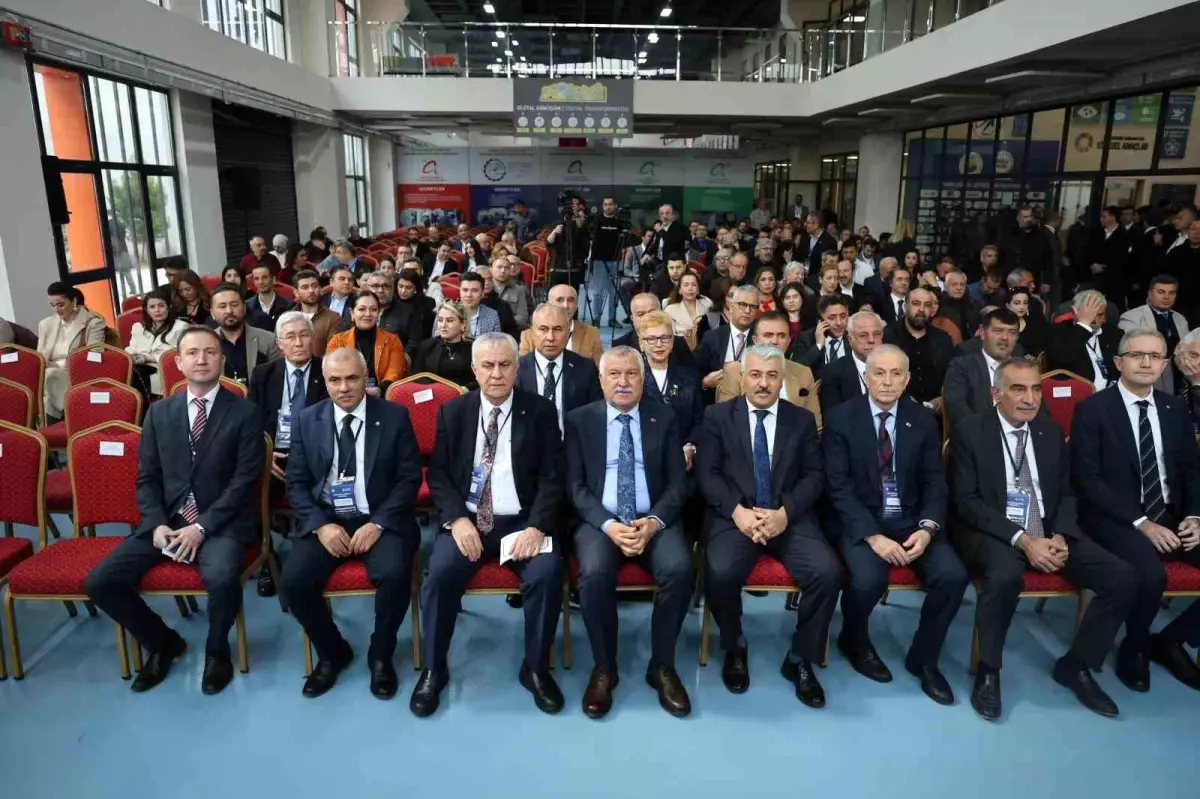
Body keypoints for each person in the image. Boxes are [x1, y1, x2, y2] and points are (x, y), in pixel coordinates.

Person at [949, 356, 1137, 719]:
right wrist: (1024, 540)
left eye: (1036, 389)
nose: (1030, 398)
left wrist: (1062, 536)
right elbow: (967, 502)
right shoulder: (970, 432)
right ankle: (989, 670)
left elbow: (1068, 492)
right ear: (996, 394)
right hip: (994, 531)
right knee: (1004, 577)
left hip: (1050, 531)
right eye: (1018, 389)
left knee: (1122, 577)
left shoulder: (1050, 433)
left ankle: (1077, 665)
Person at [84, 326, 264, 695]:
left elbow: (244, 482)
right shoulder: (158, 413)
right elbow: (147, 477)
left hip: (221, 522)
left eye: (210, 352)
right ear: (178, 362)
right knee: (100, 582)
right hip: (167, 521)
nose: (202, 359)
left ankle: (217, 651)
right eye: (192, 353)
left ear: (222, 359)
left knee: (221, 578)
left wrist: (202, 527)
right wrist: (155, 524)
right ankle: (163, 642)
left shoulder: (245, 413)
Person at [414, 333, 565, 717]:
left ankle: (536, 668)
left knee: (546, 574)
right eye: (488, 365)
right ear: (474, 369)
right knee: (438, 575)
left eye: (504, 365)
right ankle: (434, 669)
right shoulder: (454, 411)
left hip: (522, 522)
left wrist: (537, 528)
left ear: (517, 368)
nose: (496, 374)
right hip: (468, 520)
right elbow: (439, 475)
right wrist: (455, 520)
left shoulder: (541, 411)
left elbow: (552, 477)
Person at [823, 344, 968, 704]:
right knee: (868, 579)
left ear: (906, 380)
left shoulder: (922, 419)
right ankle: (854, 639)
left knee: (952, 576)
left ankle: (924, 658)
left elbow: (935, 481)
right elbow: (837, 487)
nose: (887, 381)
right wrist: (873, 537)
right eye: (879, 373)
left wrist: (928, 528)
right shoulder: (840, 418)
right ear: (866, 377)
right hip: (860, 518)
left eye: (896, 374)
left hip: (911, 519)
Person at [698, 343, 841, 705]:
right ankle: (734, 645)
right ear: (743, 378)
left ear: (782, 379)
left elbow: (814, 476)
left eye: (772, 376)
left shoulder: (801, 420)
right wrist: (738, 513)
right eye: (756, 375)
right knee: (719, 571)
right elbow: (708, 474)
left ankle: (800, 658)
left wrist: (784, 514)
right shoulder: (717, 417)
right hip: (736, 516)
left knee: (827, 572)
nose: (763, 383)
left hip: (788, 517)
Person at [280, 347, 421, 699]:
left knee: (394, 575)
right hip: (327, 519)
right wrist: (320, 525)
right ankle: (332, 652)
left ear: (366, 378)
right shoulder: (307, 420)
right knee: (294, 581)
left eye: (352, 378)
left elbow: (408, 479)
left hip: (381, 518)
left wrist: (378, 524)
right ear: (325, 381)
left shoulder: (394, 416)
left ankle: (381, 654)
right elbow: (295, 483)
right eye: (335, 380)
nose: (343, 387)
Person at [565, 346, 693, 718]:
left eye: (631, 374)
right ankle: (605, 667)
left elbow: (678, 484)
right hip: (601, 520)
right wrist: (608, 524)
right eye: (614, 374)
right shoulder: (579, 420)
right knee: (593, 573)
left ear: (642, 378)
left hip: (653, 518)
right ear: (601, 379)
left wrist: (653, 522)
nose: (623, 382)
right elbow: (574, 487)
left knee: (679, 569)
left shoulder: (664, 417)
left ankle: (662, 666)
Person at [1071, 329, 1200, 693]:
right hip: (1115, 518)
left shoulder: (1174, 409)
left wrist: (1195, 516)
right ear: (1118, 362)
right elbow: (1087, 479)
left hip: (1173, 516)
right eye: (1136, 355)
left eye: (1155, 356)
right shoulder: (1092, 409)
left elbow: (1191, 471)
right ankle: (1135, 646)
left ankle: (1171, 640)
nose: (1146, 362)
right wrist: (1142, 524)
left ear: (1164, 364)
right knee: (1150, 575)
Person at [715, 309, 822, 423]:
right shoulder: (734, 372)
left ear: (788, 341)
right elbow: (726, 421)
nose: (774, 341)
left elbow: (815, 423)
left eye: (781, 336)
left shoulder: (803, 372)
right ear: (755, 340)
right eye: (768, 335)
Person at [516, 303, 602, 434]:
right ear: (532, 332)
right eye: (543, 329)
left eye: (557, 329)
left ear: (568, 333)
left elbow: (595, 414)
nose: (550, 337)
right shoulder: (516, 369)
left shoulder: (586, 368)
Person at [636, 311, 704, 456]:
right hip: (643, 455)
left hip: (682, 455)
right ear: (641, 343)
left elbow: (699, 419)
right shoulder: (633, 378)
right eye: (651, 339)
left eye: (665, 338)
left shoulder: (689, 377)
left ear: (672, 341)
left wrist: (691, 445)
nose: (659, 344)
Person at [36, 282, 108, 420]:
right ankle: (67, 415)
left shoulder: (93, 323)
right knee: (45, 376)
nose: (57, 310)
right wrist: (46, 364)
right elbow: (40, 357)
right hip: (50, 375)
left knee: (49, 377)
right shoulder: (45, 324)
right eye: (53, 305)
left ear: (73, 301)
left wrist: (59, 366)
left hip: (76, 374)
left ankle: (60, 418)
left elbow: (95, 356)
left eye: (61, 305)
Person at [943, 308, 1020, 430]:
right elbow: (958, 411)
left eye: (1012, 332)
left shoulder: (1024, 369)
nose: (1005, 337)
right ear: (982, 333)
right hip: (979, 435)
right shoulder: (961, 367)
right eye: (998, 331)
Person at [325, 291, 407, 397]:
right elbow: (332, 373)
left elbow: (394, 373)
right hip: (345, 394)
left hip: (382, 396)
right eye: (362, 309)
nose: (368, 314)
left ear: (379, 313)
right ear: (352, 313)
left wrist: (379, 391)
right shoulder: (337, 341)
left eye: (373, 309)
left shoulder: (393, 341)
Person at [884, 287, 952, 412]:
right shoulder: (888, 336)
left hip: (935, 413)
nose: (921, 309)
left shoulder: (943, 339)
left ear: (932, 310)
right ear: (905, 307)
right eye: (916, 304)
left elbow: (951, 375)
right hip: (898, 410)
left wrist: (944, 398)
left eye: (927, 305)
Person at [1119, 275, 1189, 395]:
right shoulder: (1131, 317)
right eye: (1161, 292)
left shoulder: (1180, 319)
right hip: (1148, 378)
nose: (1166, 297)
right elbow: (1129, 350)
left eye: (1171, 293)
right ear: (1150, 293)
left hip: (1180, 378)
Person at [1044, 290, 1121, 390]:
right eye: (1090, 315)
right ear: (1074, 312)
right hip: (1076, 393)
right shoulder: (1057, 332)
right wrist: (1084, 325)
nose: (1095, 321)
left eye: (1100, 315)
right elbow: (1062, 358)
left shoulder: (1114, 334)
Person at [696, 284, 760, 399]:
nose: (747, 310)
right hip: (716, 398)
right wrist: (705, 383)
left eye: (753, 306)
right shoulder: (712, 337)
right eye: (743, 304)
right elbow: (694, 371)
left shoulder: (761, 339)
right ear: (731, 307)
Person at [208, 283, 278, 385]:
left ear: (244, 308)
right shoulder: (205, 343)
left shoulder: (268, 340)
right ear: (212, 314)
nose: (229, 311)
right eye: (222, 306)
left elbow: (277, 381)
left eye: (234, 305)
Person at [518, 284, 604, 365]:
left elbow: (600, 369)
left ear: (576, 305)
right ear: (548, 304)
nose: (565, 306)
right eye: (559, 300)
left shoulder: (591, 333)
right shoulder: (528, 335)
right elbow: (522, 369)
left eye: (570, 300)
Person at [126, 288, 188, 398]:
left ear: (169, 306)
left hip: (164, 371)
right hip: (138, 369)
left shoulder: (180, 327)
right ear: (146, 310)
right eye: (152, 307)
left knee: (138, 374)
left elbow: (178, 355)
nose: (157, 310)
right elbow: (131, 350)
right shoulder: (138, 327)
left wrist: (147, 358)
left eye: (161, 306)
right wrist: (133, 356)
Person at [614, 291, 697, 369]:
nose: (647, 317)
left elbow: (690, 374)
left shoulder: (678, 343)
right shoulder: (620, 345)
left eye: (652, 312)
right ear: (632, 319)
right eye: (641, 314)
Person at [412, 302, 476, 389]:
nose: (443, 325)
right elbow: (416, 377)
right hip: (431, 393)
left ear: (463, 324)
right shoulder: (427, 346)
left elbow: (479, 380)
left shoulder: (474, 349)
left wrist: (464, 390)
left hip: (463, 395)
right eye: (440, 320)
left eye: (449, 320)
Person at [362, 270, 423, 357]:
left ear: (393, 289)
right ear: (367, 288)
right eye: (375, 286)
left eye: (386, 286)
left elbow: (414, 343)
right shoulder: (358, 309)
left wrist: (401, 360)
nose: (381, 290)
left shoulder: (408, 312)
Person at [792, 295, 851, 380]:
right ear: (820, 320)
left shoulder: (853, 338)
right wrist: (818, 345)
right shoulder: (806, 338)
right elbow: (795, 372)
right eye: (832, 318)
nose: (839, 323)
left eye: (843, 316)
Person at [291, 269, 341, 357]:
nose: (311, 290)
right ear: (296, 293)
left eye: (315, 286)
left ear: (320, 289)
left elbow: (333, 353)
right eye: (305, 287)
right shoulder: (287, 318)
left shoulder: (333, 318)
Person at [245, 263, 296, 332]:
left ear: (273, 279)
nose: (260, 282)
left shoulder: (289, 305)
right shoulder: (247, 307)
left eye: (265, 277)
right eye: (257, 279)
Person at [663, 271, 711, 343]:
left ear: (698, 290)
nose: (690, 288)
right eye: (686, 285)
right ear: (680, 290)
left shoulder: (707, 305)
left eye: (694, 285)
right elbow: (669, 337)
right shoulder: (670, 310)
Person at [1005, 287, 1048, 359]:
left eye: (1025, 303)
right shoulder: (1001, 323)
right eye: (1017, 303)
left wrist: (1037, 357)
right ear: (1007, 305)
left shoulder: (1037, 320)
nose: (1022, 307)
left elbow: (1046, 344)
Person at [491, 258, 532, 331]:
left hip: (511, 330)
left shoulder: (519, 290)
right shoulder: (486, 288)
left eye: (506, 268)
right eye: (499, 267)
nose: (503, 271)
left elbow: (522, 317)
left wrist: (503, 326)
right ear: (492, 269)